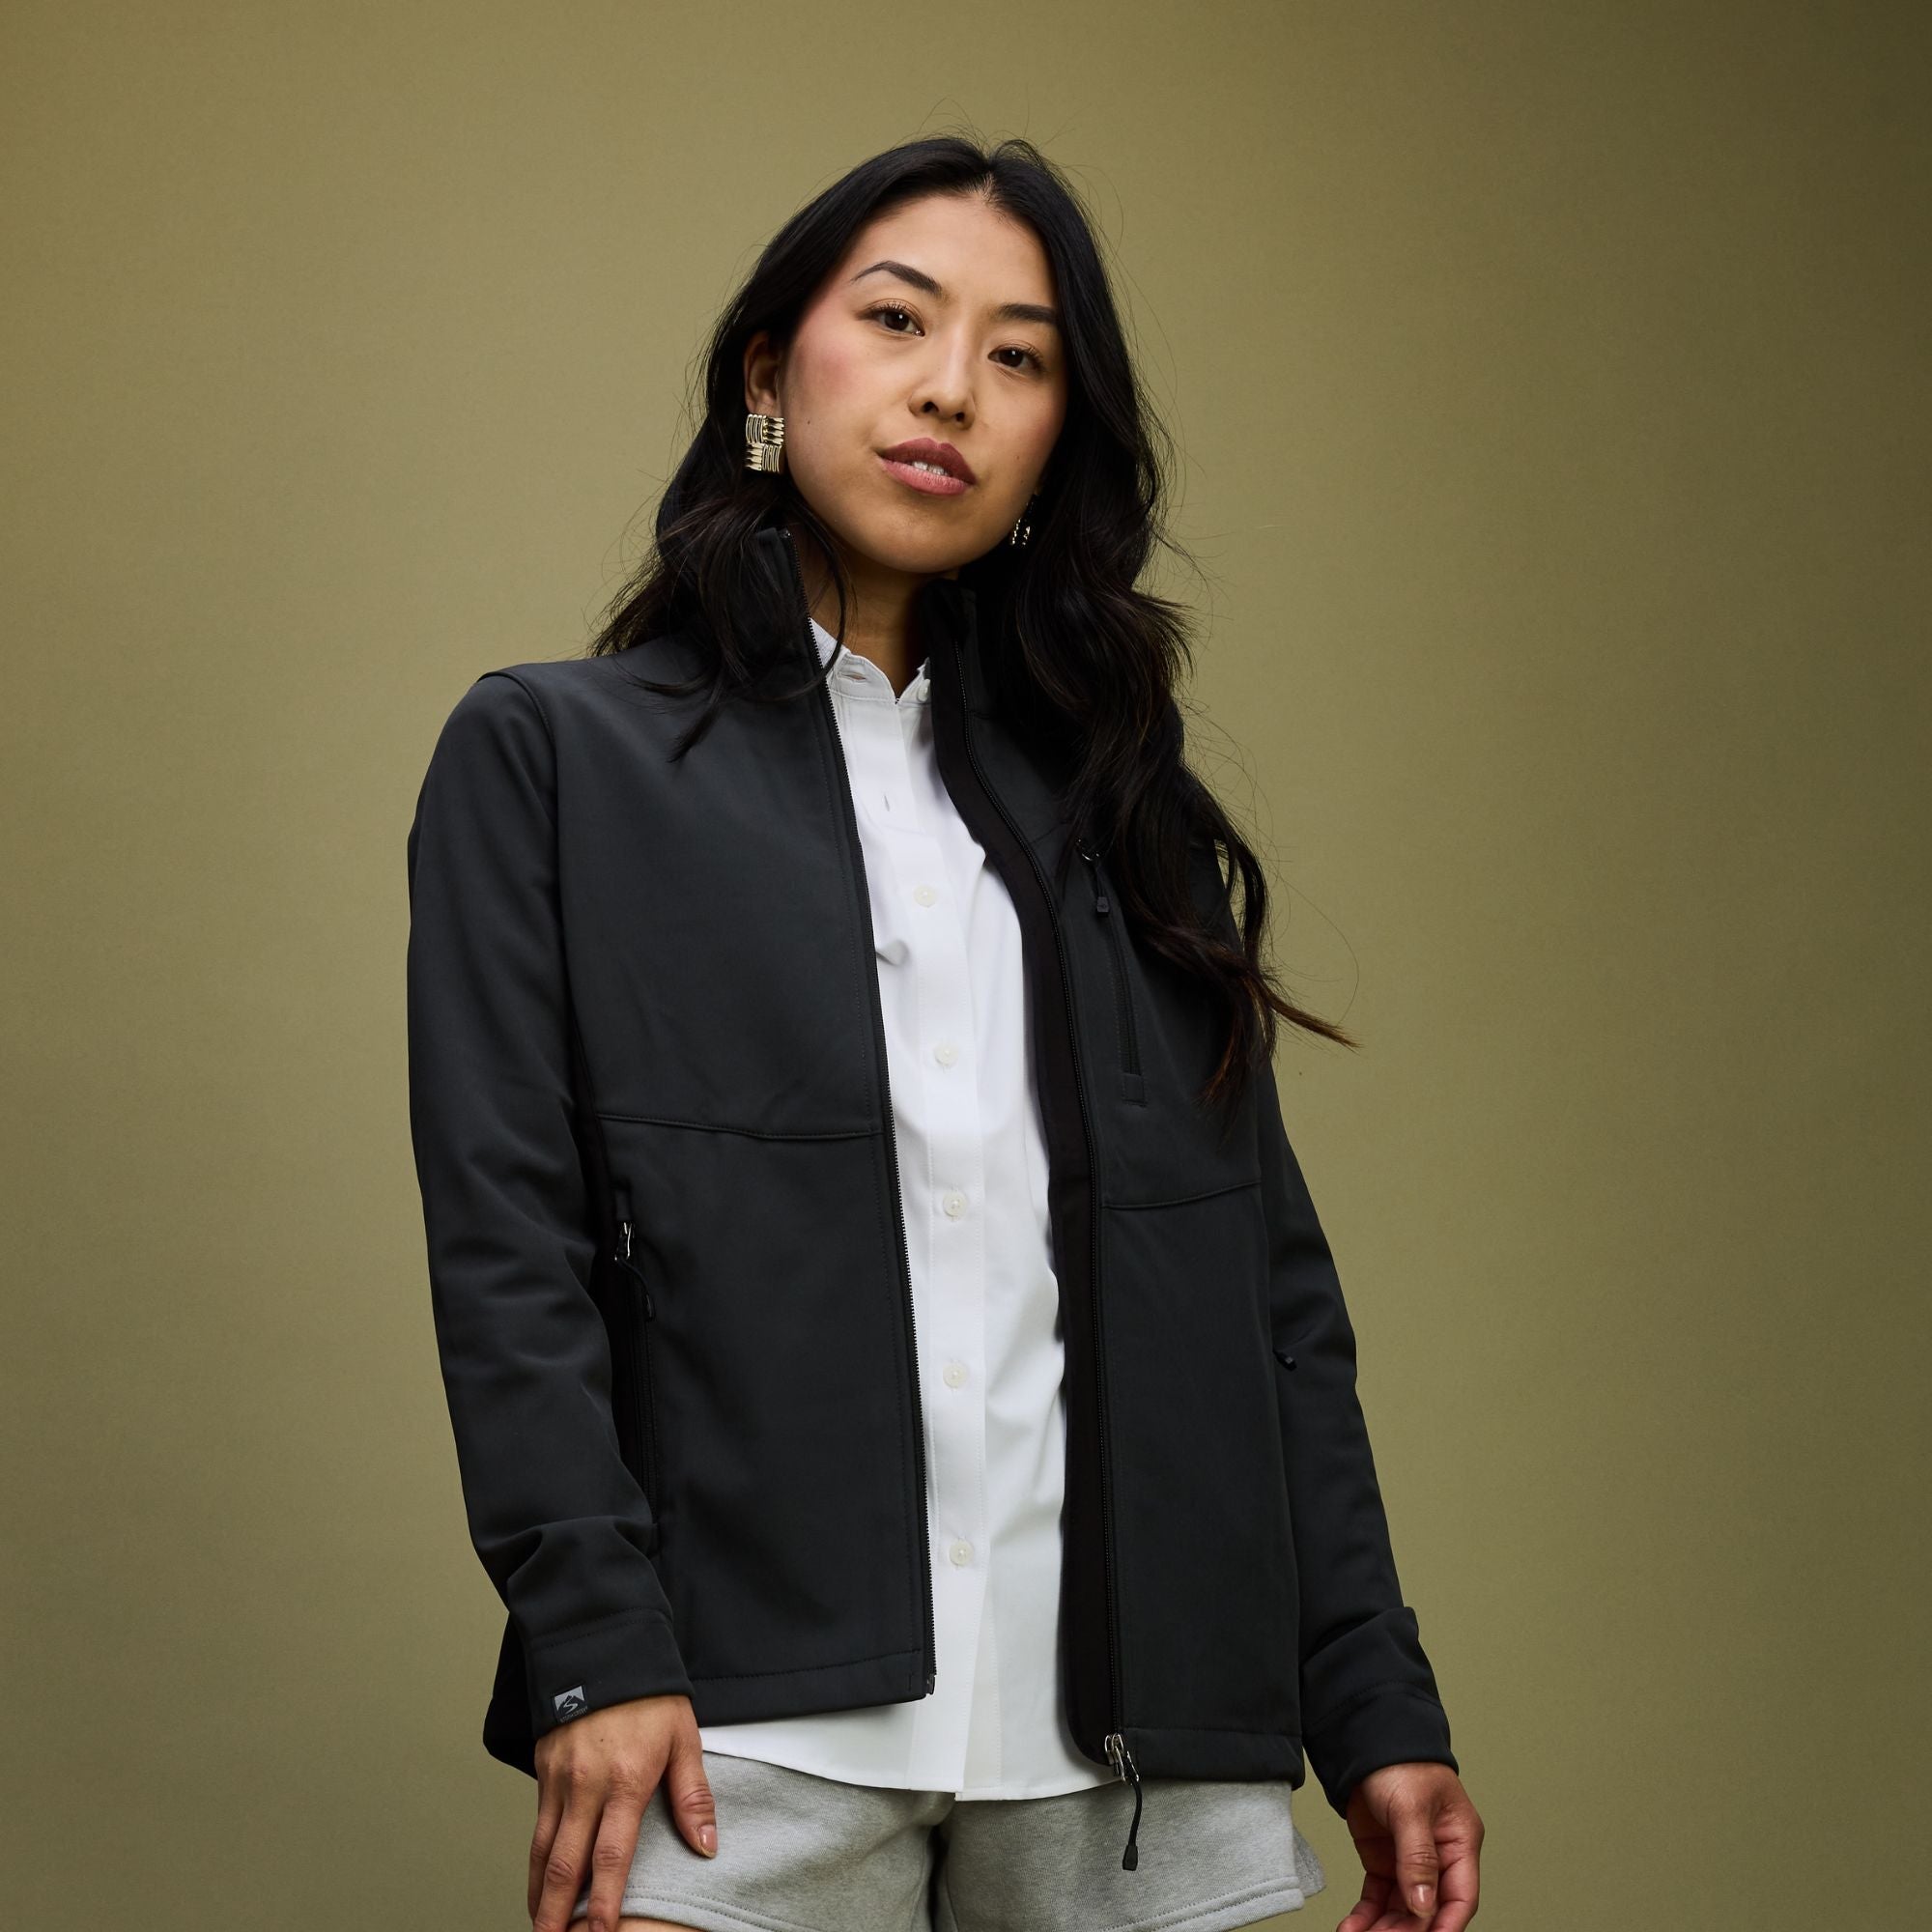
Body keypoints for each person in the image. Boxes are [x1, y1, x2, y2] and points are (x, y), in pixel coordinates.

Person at [406, 133, 1484, 1932]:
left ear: (1059, 437)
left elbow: (1269, 1296)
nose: (950, 391)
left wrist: (1371, 1692)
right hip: (737, 1731)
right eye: (898, 320)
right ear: (771, 372)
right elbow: (509, 1242)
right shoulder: (554, 762)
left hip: (1136, 1765)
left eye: (1019, 356)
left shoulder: (1129, 823)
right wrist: (593, 1640)